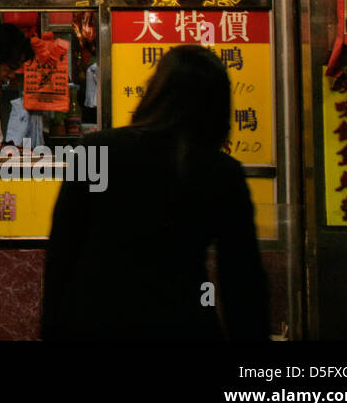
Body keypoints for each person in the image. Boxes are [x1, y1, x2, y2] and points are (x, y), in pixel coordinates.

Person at [42, 45, 269, 340]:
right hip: (182, 326)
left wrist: (50, 331)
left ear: (156, 92)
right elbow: (242, 280)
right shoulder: (222, 172)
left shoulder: (97, 150)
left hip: (95, 322)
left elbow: (62, 253)